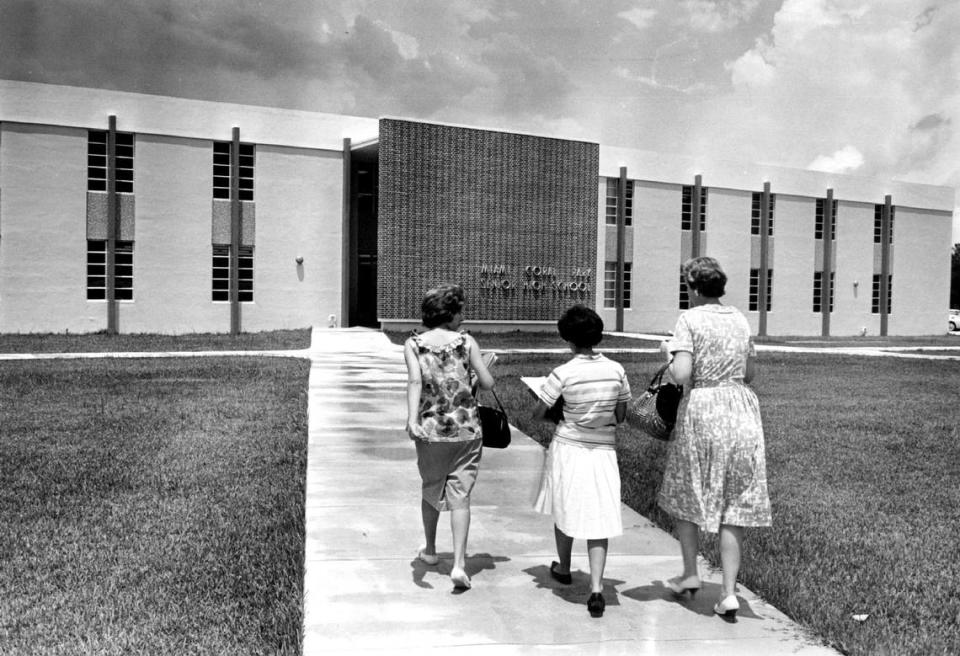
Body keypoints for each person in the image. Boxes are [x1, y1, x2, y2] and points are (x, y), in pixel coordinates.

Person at [658, 256, 772, 618]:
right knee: (733, 503)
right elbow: (749, 373)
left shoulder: (689, 320)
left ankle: (691, 573)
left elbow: (682, 374)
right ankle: (728, 593)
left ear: (692, 287)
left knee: (687, 490)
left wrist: (670, 351)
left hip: (705, 409)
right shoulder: (739, 318)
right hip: (740, 411)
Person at [531, 305, 631, 618]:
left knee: (566, 507)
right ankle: (598, 588)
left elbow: (537, 412)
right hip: (603, 450)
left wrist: (557, 411)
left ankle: (563, 566)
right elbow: (622, 415)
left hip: (569, 447)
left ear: (568, 339)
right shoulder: (616, 370)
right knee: (598, 516)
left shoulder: (563, 373)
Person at [404, 283, 495, 590]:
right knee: (461, 496)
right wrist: (483, 367)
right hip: (467, 430)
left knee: (431, 488)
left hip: (430, 431)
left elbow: (415, 382)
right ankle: (458, 563)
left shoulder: (414, 344)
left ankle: (430, 551)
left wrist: (411, 419)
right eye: (460, 310)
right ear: (451, 312)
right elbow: (487, 382)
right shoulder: (467, 342)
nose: (463, 316)